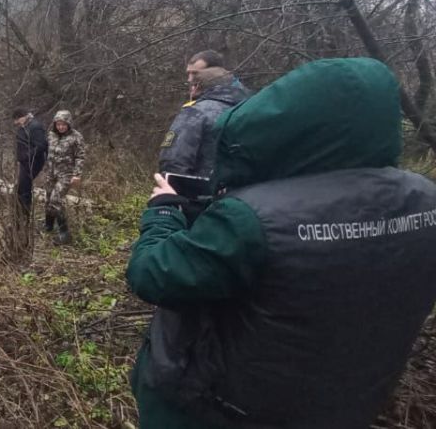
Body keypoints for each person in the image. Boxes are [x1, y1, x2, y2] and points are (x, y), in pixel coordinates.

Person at [126, 58, 436, 428]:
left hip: (216, 408)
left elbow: (151, 272)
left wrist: (163, 211)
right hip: (344, 404)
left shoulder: (252, 219)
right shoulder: (425, 199)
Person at [158, 50, 250, 178]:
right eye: (188, 74)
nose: (189, 80)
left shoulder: (196, 113)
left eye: (195, 73)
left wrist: (171, 196)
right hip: (249, 194)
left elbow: (172, 163)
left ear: (216, 74)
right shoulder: (253, 107)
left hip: (201, 194)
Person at [45, 110, 86, 244]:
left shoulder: (76, 137)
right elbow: (46, 151)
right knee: (48, 198)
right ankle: (48, 225)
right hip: (51, 173)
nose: (61, 127)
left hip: (66, 174)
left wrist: (77, 175)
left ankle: (65, 234)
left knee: (56, 200)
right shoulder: (51, 135)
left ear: (68, 124)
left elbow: (80, 156)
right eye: (58, 124)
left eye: (63, 124)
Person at [12, 107, 47, 218]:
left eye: (17, 119)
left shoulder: (35, 127)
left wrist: (26, 156)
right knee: (20, 189)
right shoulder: (23, 127)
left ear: (23, 116)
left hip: (33, 163)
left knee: (24, 190)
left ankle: (24, 218)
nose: (15, 123)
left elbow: (41, 146)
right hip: (24, 163)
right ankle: (19, 216)